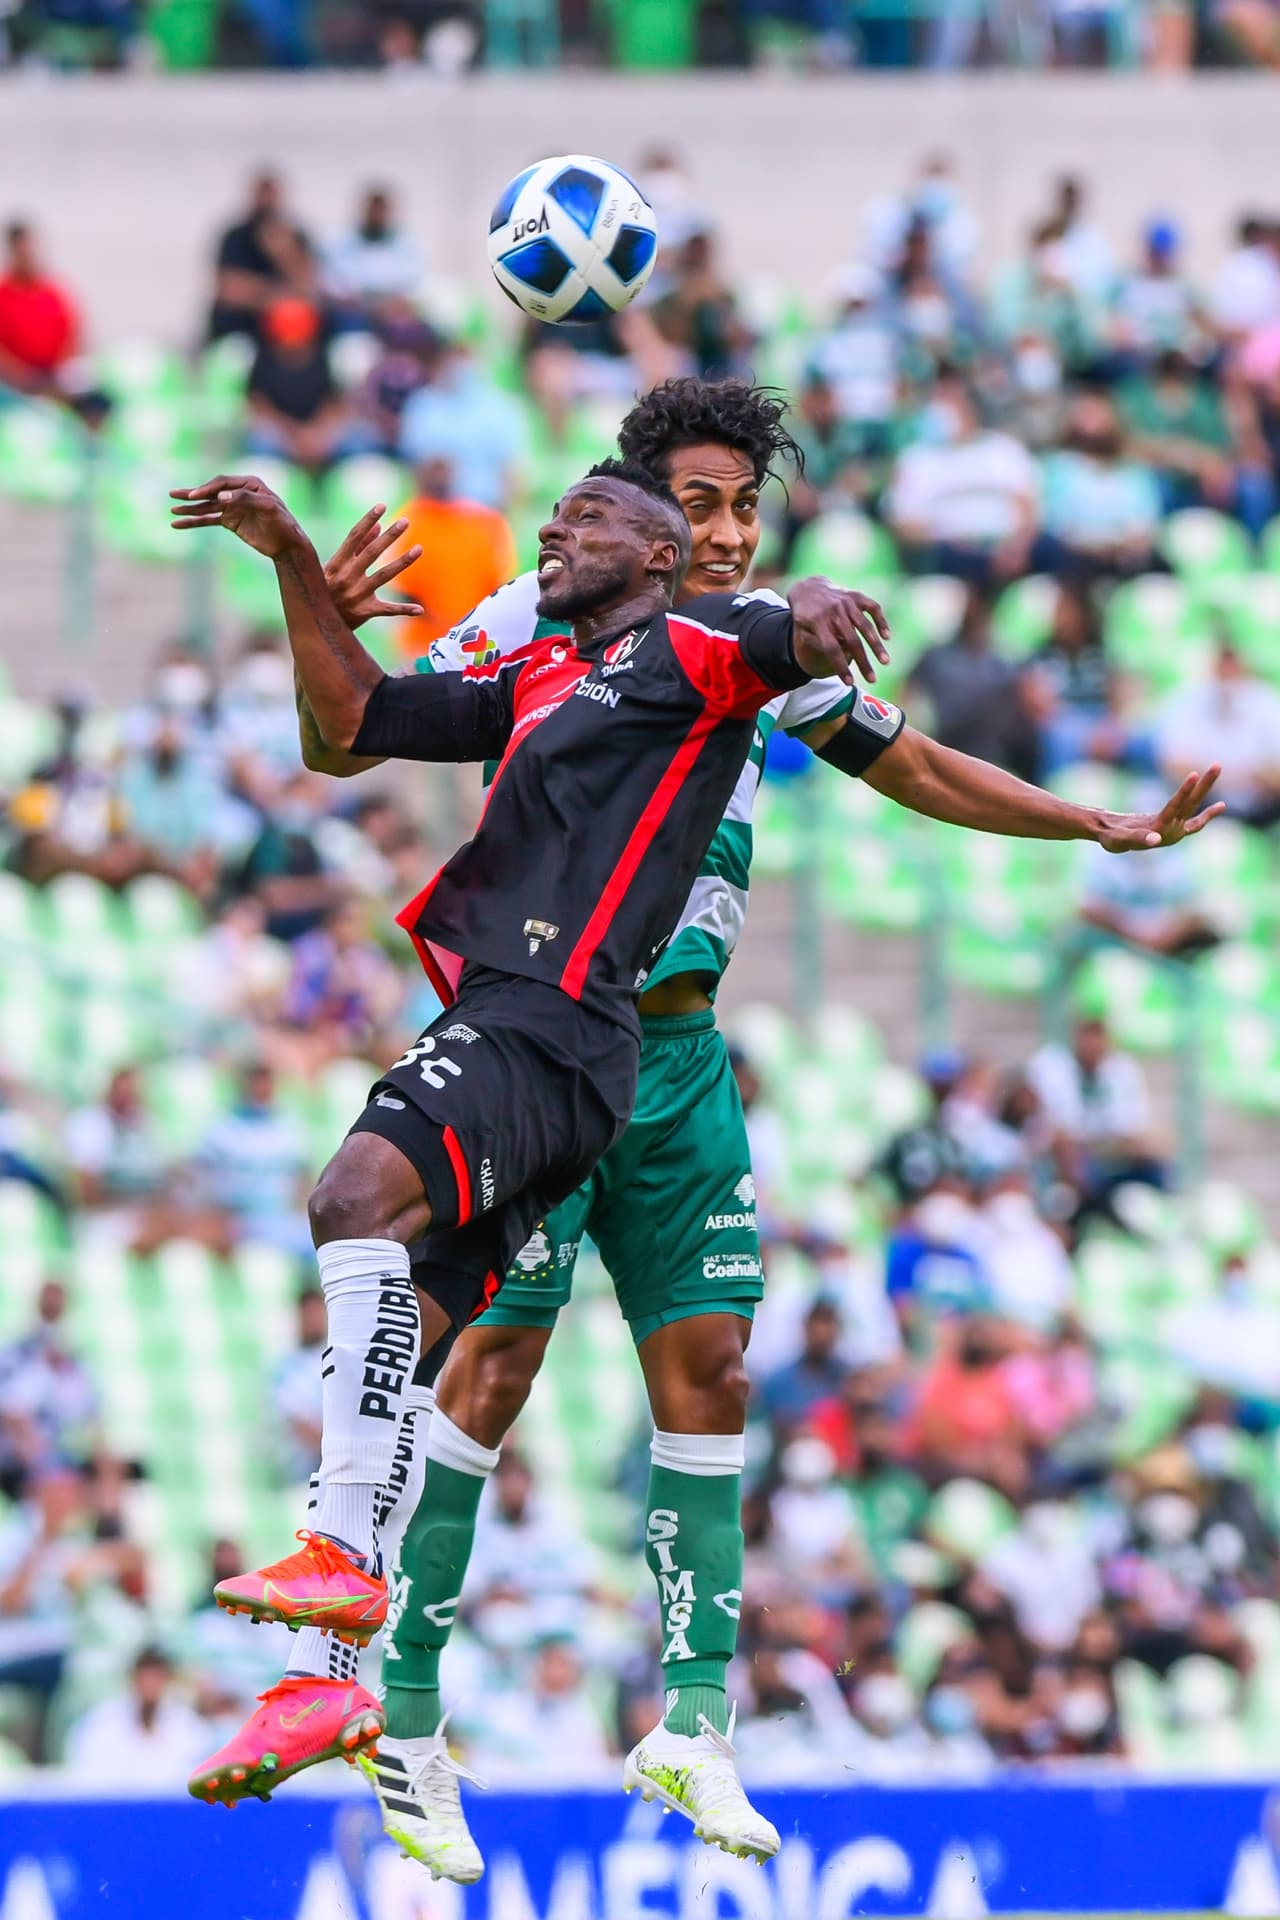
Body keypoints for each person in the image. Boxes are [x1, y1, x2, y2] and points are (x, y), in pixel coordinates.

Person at [184, 379, 1221, 1864]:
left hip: (665, 1060)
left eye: (748, 507)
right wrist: (320, 610)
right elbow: (347, 737)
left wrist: (1094, 826)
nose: (731, 530)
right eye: (707, 503)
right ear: (646, 520)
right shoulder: (540, 626)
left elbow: (909, 759)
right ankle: (400, 1716)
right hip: (539, 1032)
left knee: (715, 1368)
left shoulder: (740, 647)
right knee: (480, 1369)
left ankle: (691, 1723)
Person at [171, 449, 894, 1858]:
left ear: (659, 551)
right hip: (525, 1034)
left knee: (349, 1197)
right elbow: (351, 726)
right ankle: (329, 1688)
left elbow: (780, 622)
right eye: (555, 520)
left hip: (557, 1026)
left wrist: (821, 609)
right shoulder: (538, 680)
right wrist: (288, 565)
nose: (555, 533)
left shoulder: (692, 643)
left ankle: (358, 1580)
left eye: (587, 520)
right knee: (417, 1333)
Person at [885, 371, 1039, 585]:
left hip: (1005, 547)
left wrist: (1016, 548)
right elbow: (903, 526)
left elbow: (1028, 508)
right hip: (946, 550)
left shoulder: (1004, 450)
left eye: (949, 401)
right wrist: (951, 537)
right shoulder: (915, 459)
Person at [384, 456, 516, 654]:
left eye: (444, 473)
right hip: (423, 643)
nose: (440, 480)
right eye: (434, 473)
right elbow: (402, 588)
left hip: (476, 640)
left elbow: (500, 578)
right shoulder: (407, 522)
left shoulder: (484, 521)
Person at [1156, 638, 1280, 831]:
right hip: (1202, 805)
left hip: (1264, 808)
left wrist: (1215, 776)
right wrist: (1249, 776)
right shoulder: (1185, 703)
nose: (1228, 674)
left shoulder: (1268, 702)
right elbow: (1174, 766)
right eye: (1222, 667)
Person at [245, 297, 364, 473]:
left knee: (358, 442)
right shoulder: (263, 361)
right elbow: (259, 406)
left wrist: (317, 433)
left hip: (319, 431)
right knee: (260, 444)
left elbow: (335, 403)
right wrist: (294, 436)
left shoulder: (325, 357)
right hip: (282, 434)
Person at [66, 1646, 209, 1785]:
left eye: (157, 1676)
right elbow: (89, 1775)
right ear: (132, 1677)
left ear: (167, 1679)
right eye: (145, 1675)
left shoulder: (189, 1726)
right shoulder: (101, 1723)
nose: (150, 1683)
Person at [208, 171, 315, 343]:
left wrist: (284, 254)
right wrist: (274, 296)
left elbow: (307, 286)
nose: (266, 202)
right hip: (243, 324)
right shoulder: (235, 237)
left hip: (283, 329)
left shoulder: (294, 237)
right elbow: (229, 289)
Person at [0, 221, 80, 397]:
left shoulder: (54, 291)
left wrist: (59, 369)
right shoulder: (4, 293)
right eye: (21, 252)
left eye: (30, 250)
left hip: (54, 376)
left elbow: (71, 333)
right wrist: (21, 375)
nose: (27, 255)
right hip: (14, 382)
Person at [325, 185, 422, 319]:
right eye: (373, 210)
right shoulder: (342, 241)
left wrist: (395, 301)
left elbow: (413, 282)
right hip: (353, 310)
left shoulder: (406, 244)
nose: (376, 215)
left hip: (392, 311)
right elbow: (333, 280)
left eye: (381, 210)